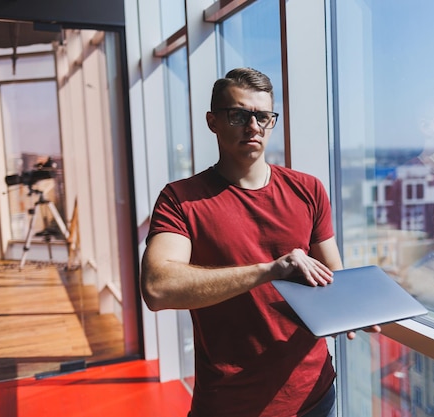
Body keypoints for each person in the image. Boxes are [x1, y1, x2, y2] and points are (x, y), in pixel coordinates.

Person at [141, 67, 379, 417]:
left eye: (263, 116)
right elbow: (157, 289)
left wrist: (353, 308)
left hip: (314, 394)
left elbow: (332, 274)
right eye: (239, 115)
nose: (253, 127)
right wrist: (268, 271)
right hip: (230, 404)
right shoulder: (181, 199)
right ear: (213, 121)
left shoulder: (308, 189)